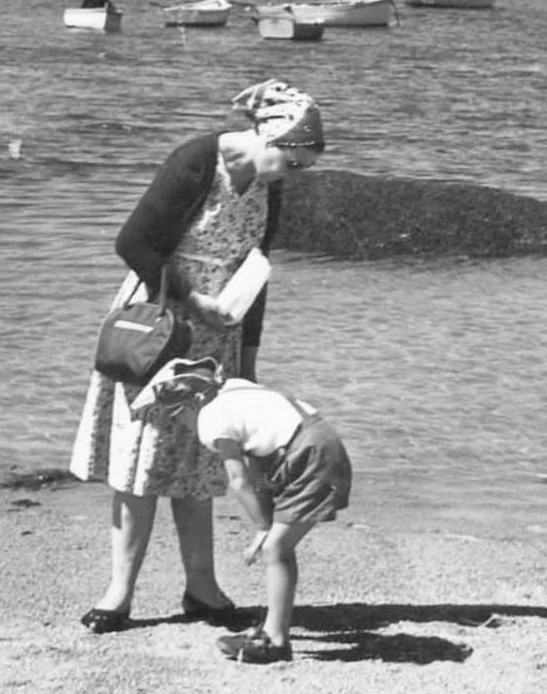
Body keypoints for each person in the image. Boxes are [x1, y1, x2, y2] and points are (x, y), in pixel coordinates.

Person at [69, 80, 326, 635]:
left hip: (218, 338)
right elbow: (133, 243)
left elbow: (256, 276)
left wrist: (248, 363)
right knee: (139, 461)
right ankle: (119, 595)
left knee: (202, 460)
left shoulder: (269, 187)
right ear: (269, 134)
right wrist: (194, 300)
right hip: (159, 325)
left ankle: (202, 588)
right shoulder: (197, 160)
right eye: (291, 161)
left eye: (301, 168)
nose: (291, 174)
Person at [131, 357, 352, 665]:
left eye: (175, 418)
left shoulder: (211, 420)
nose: (179, 427)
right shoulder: (235, 389)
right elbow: (257, 469)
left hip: (309, 455)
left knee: (275, 548)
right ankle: (273, 630)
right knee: (279, 547)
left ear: (190, 406)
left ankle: (276, 642)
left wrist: (262, 528)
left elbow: (239, 480)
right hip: (321, 440)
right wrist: (267, 520)